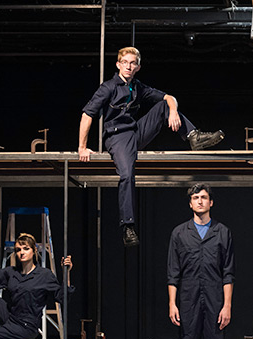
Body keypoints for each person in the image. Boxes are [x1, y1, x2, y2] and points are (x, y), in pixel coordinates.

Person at [78, 46, 224, 247]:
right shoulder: (109, 87)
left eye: (133, 63)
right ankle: (127, 226)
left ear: (138, 66)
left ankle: (194, 136)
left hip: (135, 132)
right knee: (127, 175)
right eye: (125, 62)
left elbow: (169, 97)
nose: (129, 66)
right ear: (118, 64)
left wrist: (172, 111)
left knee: (164, 106)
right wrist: (82, 147)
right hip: (117, 136)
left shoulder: (137, 86)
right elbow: (87, 114)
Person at [167, 183, 234, 339]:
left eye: (204, 197)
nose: (200, 201)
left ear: (211, 202)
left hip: (215, 299)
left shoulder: (222, 232)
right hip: (187, 299)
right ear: (190, 203)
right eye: (196, 197)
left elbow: (228, 273)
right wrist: (172, 303)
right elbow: (173, 272)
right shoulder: (179, 233)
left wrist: (226, 306)